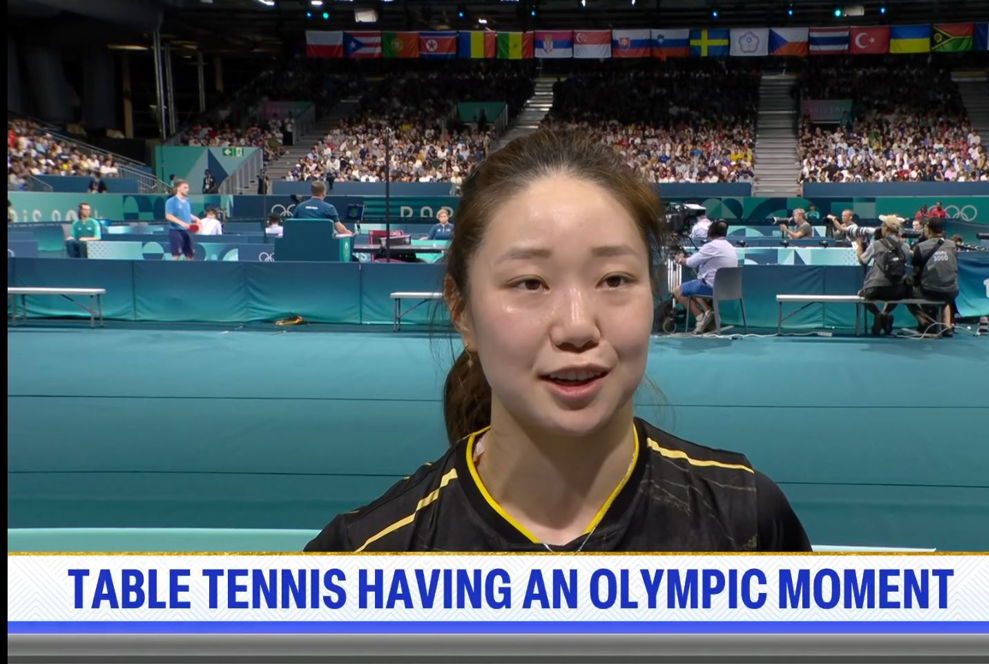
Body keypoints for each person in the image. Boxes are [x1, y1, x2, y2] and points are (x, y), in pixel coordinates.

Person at [305, 129, 810, 552]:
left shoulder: (749, 522)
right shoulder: (359, 559)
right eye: (530, 283)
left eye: (614, 279)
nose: (577, 327)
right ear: (462, 310)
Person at [673, 220, 738, 334]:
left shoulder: (711, 246)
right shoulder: (729, 246)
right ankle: (708, 312)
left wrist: (679, 259)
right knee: (697, 283)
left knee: (678, 290)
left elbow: (690, 263)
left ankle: (700, 317)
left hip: (713, 288)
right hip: (730, 290)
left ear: (711, 232)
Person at [853, 215, 911, 335]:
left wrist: (859, 248)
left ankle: (878, 314)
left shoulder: (877, 244)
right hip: (898, 290)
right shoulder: (905, 246)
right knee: (897, 291)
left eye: (883, 225)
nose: (881, 227)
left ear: (887, 229)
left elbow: (863, 261)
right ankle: (885, 313)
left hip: (875, 289)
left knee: (862, 295)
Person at [907, 218, 958, 337]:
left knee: (907, 292)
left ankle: (926, 322)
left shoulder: (921, 247)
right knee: (945, 293)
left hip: (930, 291)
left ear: (928, 229)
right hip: (952, 291)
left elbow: (916, 272)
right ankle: (947, 325)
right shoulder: (952, 245)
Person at [164, 179, 201, 260]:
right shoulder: (171, 201)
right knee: (176, 255)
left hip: (188, 231)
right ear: (178, 188)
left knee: (190, 255)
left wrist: (196, 219)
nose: (187, 190)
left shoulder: (188, 201)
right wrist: (182, 223)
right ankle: (174, 272)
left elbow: (187, 214)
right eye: (185, 187)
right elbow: (169, 216)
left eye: (188, 188)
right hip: (176, 231)